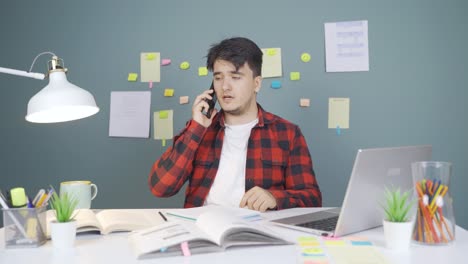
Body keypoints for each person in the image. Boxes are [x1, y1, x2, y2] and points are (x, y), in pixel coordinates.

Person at [148, 37, 321, 212]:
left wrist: (275, 198)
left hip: (258, 233)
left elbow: (312, 199)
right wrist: (196, 128)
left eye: (235, 77)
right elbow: (160, 188)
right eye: (218, 78)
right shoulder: (199, 130)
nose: (225, 87)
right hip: (203, 230)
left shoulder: (288, 133)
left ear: (257, 83)